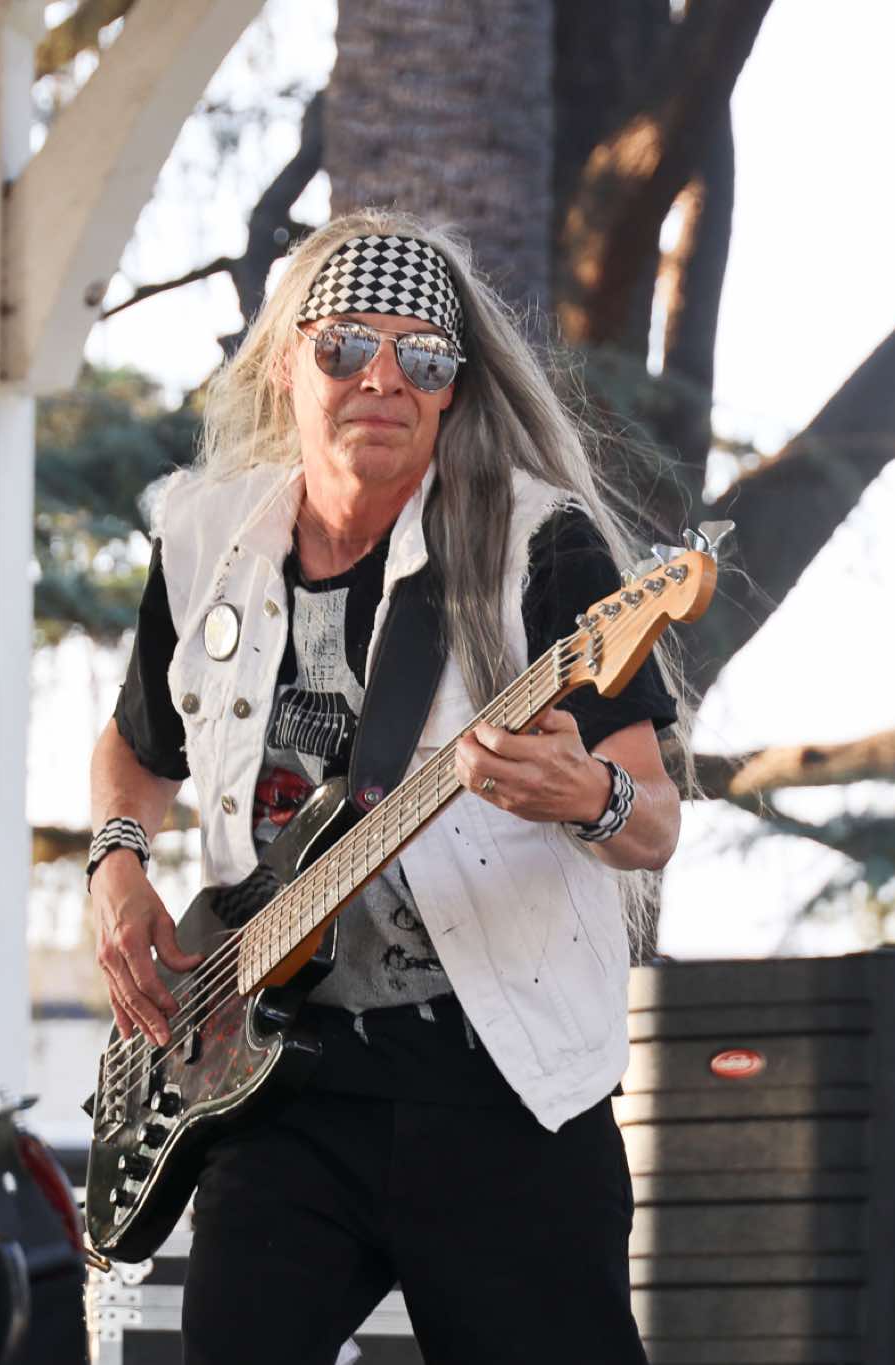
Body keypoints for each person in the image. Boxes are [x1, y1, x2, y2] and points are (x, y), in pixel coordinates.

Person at [85, 209, 684, 1365]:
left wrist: (585, 796)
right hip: (272, 1081)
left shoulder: (537, 546)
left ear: (455, 389)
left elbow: (650, 819)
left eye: (424, 357)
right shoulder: (205, 538)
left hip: (501, 1086)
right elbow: (136, 748)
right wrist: (116, 862)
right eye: (347, 345)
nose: (383, 379)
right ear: (285, 360)